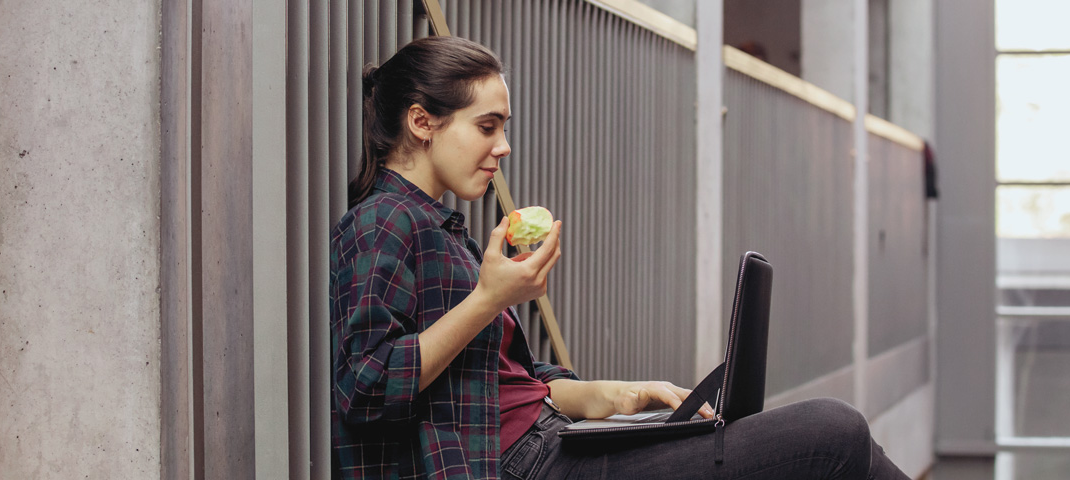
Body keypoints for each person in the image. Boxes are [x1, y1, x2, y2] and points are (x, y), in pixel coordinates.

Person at [330, 35, 910, 480]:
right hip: (523, 465)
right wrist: (489, 300)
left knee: (845, 447)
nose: (502, 147)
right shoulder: (381, 221)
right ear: (421, 121)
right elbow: (364, 390)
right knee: (836, 431)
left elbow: (517, 388)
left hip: (550, 442)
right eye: (488, 127)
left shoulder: (442, 228)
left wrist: (629, 395)